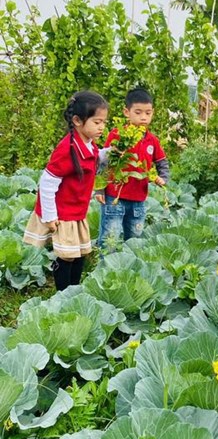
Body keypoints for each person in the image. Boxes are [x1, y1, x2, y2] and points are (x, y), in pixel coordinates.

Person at [23, 90, 109, 290]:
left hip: (77, 210)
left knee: (79, 253)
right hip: (63, 213)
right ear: (77, 121)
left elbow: (94, 158)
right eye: (97, 122)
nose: (102, 127)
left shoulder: (88, 143)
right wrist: (50, 216)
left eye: (104, 122)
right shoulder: (67, 150)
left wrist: (111, 153)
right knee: (66, 256)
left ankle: (74, 289)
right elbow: (47, 183)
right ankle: (63, 294)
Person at [95, 87, 169, 248]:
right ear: (126, 112)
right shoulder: (117, 135)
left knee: (135, 240)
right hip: (114, 197)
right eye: (138, 112)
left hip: (139, 200)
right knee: (110, 239)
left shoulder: (152, 140)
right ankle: (105, 263)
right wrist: (99, 189)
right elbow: (103, 162)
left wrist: (162, 178)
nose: (143, 117)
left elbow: (162, 162)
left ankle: (129, 263)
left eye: (148, 113)